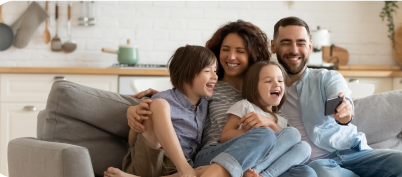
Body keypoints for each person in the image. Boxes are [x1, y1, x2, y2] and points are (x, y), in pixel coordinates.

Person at [128, 20, 317, 177]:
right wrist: (134, 108)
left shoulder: (263, 92)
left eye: (240, 51)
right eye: (226, 49)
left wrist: (269, 121)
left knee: (306, 171)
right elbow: (178, 98)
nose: (231, 56)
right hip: (216, 153)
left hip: (257, 159)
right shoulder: (210, 87)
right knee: (265, 135)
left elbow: (285, 138)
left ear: (253, 55)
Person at [269, 16, 402, 177]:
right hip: (318, 166)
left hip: (352, 153)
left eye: (301, 43)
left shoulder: (326, 77)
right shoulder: (265, 86)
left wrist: (345, 111)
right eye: (286, 43)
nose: (294, 50)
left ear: (310, 46)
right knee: (322, 171)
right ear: (273, 46)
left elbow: (342, 98)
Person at [103, 45, 218, 177]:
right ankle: (184, 169)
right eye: (208, 71)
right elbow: (132, 142)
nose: (215, 76)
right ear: (186, 73)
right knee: (159, 105)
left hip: (176, 171)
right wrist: (136, 120)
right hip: (149, 161)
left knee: (215, 169)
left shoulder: (206, 105)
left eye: (215, 71)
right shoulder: (161, 100)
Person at [221, 61, 311, 177]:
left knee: (304, 147)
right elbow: (224, 136)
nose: (277, 84)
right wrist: (250, 133)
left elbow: (289, 144)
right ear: (254, 88)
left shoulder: (282, 119)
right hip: (248, 157)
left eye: (280, 80)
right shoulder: (246, 106)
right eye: (268, 81)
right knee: (292, 133)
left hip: (270, 166)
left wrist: (271, 123)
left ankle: (262, 175)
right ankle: (252, 170)